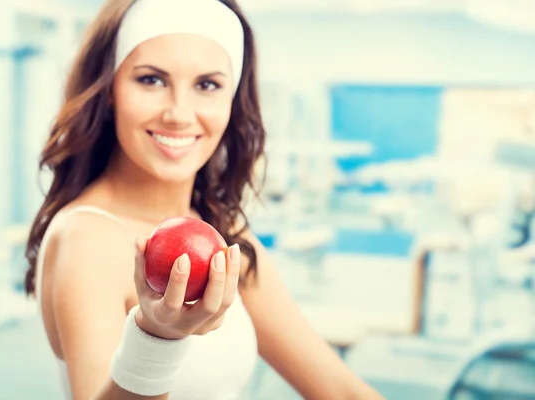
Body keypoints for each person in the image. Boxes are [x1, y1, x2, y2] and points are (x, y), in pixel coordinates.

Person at [24, 0, 386, 399]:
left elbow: (339, 388)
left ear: (231, 101)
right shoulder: (89, 236)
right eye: (151, 80)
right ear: (109, 89)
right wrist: (156, 338)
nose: (179, 113)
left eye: (207, 85)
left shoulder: (221, 229)